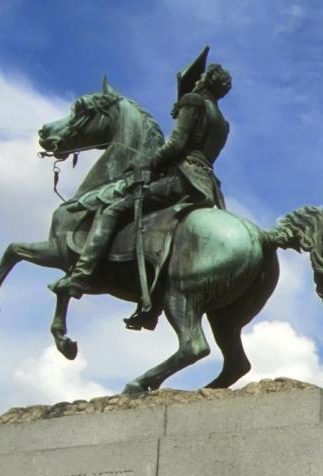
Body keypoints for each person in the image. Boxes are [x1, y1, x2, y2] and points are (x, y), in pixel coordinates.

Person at [51, 50, 231, 300]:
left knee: (111, 210)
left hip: (182, 179)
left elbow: (176, 146)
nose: (196, 81)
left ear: (204, 81)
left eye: (199, 79)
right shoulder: (223, 123)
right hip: (207, 187)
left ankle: (81, 275)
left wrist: (148, 161)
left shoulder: (192, 101)